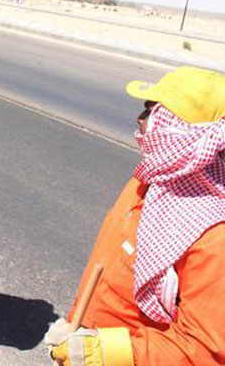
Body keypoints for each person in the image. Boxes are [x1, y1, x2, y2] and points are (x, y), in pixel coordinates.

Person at [44, 66, 225, 366]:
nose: (140, 120)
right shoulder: (147, 182)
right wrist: (77, 323)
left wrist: (107, 353)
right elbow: (108, 272)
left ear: (182, 132)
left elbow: (205, 349)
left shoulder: (215, 237)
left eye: (151, 111)